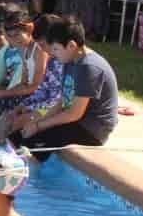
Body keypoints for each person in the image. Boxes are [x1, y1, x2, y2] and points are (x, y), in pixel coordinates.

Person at [7, 14, 118, 161]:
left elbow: (74, 113)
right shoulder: (70, 60)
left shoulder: (88, 67)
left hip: (91, 129)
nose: (51, 53)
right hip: (76, 121)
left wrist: (39, 126)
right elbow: (63, 101)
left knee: (28, 150)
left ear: (71, 45)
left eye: (55, 49)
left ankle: (30, 181)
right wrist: (37, 122)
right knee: (14, 138)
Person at [0, 13, 69, 145]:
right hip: (46, 103)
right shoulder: (52, 61)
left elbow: (58, 99)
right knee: (6, 118)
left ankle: (3, 156)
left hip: (56, 107)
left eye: (43, 44)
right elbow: (41, 90)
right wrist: (22, 106)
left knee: (14, 122)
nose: (42, 48)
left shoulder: (64, 62)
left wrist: (30, 108)